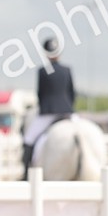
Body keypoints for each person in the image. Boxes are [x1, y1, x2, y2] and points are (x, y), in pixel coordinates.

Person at [21, 37, 75, 178]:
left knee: (28, 139)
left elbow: (40, 94)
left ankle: (26, 173)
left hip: (48, 113)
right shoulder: (67, 70)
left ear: (46, 53)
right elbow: (72, 93)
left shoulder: (42, 71)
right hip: (68, 112)